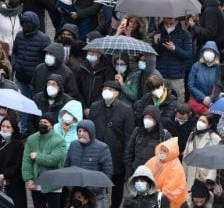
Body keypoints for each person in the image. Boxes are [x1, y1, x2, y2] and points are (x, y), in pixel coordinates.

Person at [88, 80, 134, 208]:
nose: (106, 92)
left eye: (110, 89)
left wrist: (126, 158)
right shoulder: (95, 106)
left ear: (117, 93)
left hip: (116, 155)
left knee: (117, 186)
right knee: (95, 186)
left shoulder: (126, 110)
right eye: (105, 89)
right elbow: (90, 129)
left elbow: (129, 136)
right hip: (96, 154)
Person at [64, 120, 113, 207]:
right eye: (79, 131)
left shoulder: (102, 148)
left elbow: (107, 173)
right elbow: (66, 167)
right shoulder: (73, 145)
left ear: (91, 132)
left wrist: (92, 190)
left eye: (84, 131)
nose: (81, 134)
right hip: (76, 196)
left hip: (96, 197)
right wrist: (71, 188)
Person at [22, 112, 67, 208]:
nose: (42, 124)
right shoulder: (31, 139)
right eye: (41, 122)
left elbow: (54, 160)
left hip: (54, 184)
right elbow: (26, 161)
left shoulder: (60, 141)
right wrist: (29, 179)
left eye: (45, 122)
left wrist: (37, 157)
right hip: (36, 182)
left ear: (51, 125)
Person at [124, 104, 171, 178]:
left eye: (149, 117)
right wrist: (129, 169)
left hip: (154, 174)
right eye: (145, 117)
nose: (146, 120)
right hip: (136, 172)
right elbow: (129, 151)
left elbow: (167, 158)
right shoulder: (137, 132)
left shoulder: (163, 135)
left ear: (156, 119)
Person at [153, 17, 193, 102]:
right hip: (161, 75)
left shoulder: (185, 34)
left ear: (177, 21)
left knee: (178, 103)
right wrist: (156, 44)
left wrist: (174, 49)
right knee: (158, 102)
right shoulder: (158, 33)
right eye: (166, 24)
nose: (168, 26)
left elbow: (188, 55)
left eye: (171, 24)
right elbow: (155, 55)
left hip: (177, 77)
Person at [145, 137, 188, 207]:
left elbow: (170, 192)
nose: (162, 152)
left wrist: (152, 192)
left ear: (171, 152)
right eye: (161, 149)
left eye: (165, 151)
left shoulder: (176, 168)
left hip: (170, 203)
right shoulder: (154, 160)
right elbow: (144, 173)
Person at [183, 113, 221, 189]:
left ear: (209, 125)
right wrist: (183, 174)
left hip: (203, 178)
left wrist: (210, 179)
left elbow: (215, 161)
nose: (200, 123)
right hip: (189, 176)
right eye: (199, 120)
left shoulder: (215, 138)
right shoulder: (192, 135)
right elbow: (186, 155)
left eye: (203, 121)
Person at [188, 41, 221, 115]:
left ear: (215, 53)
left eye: (211, 51)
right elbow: (190, 85)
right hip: (197, 102)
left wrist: (211, 98)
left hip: (212, 103)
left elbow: (218, 86)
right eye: (207, 50)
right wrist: (203, 97)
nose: (209, 53)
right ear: (203, 52)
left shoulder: (218, 68)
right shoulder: (196, 66)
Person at [0, 116, 27, 207]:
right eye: (3, 126)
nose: (4, 129)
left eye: (8, 127)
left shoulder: (18, 145)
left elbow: (18, 165)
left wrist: (4, 174)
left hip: (14, 184)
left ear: (13, 129)